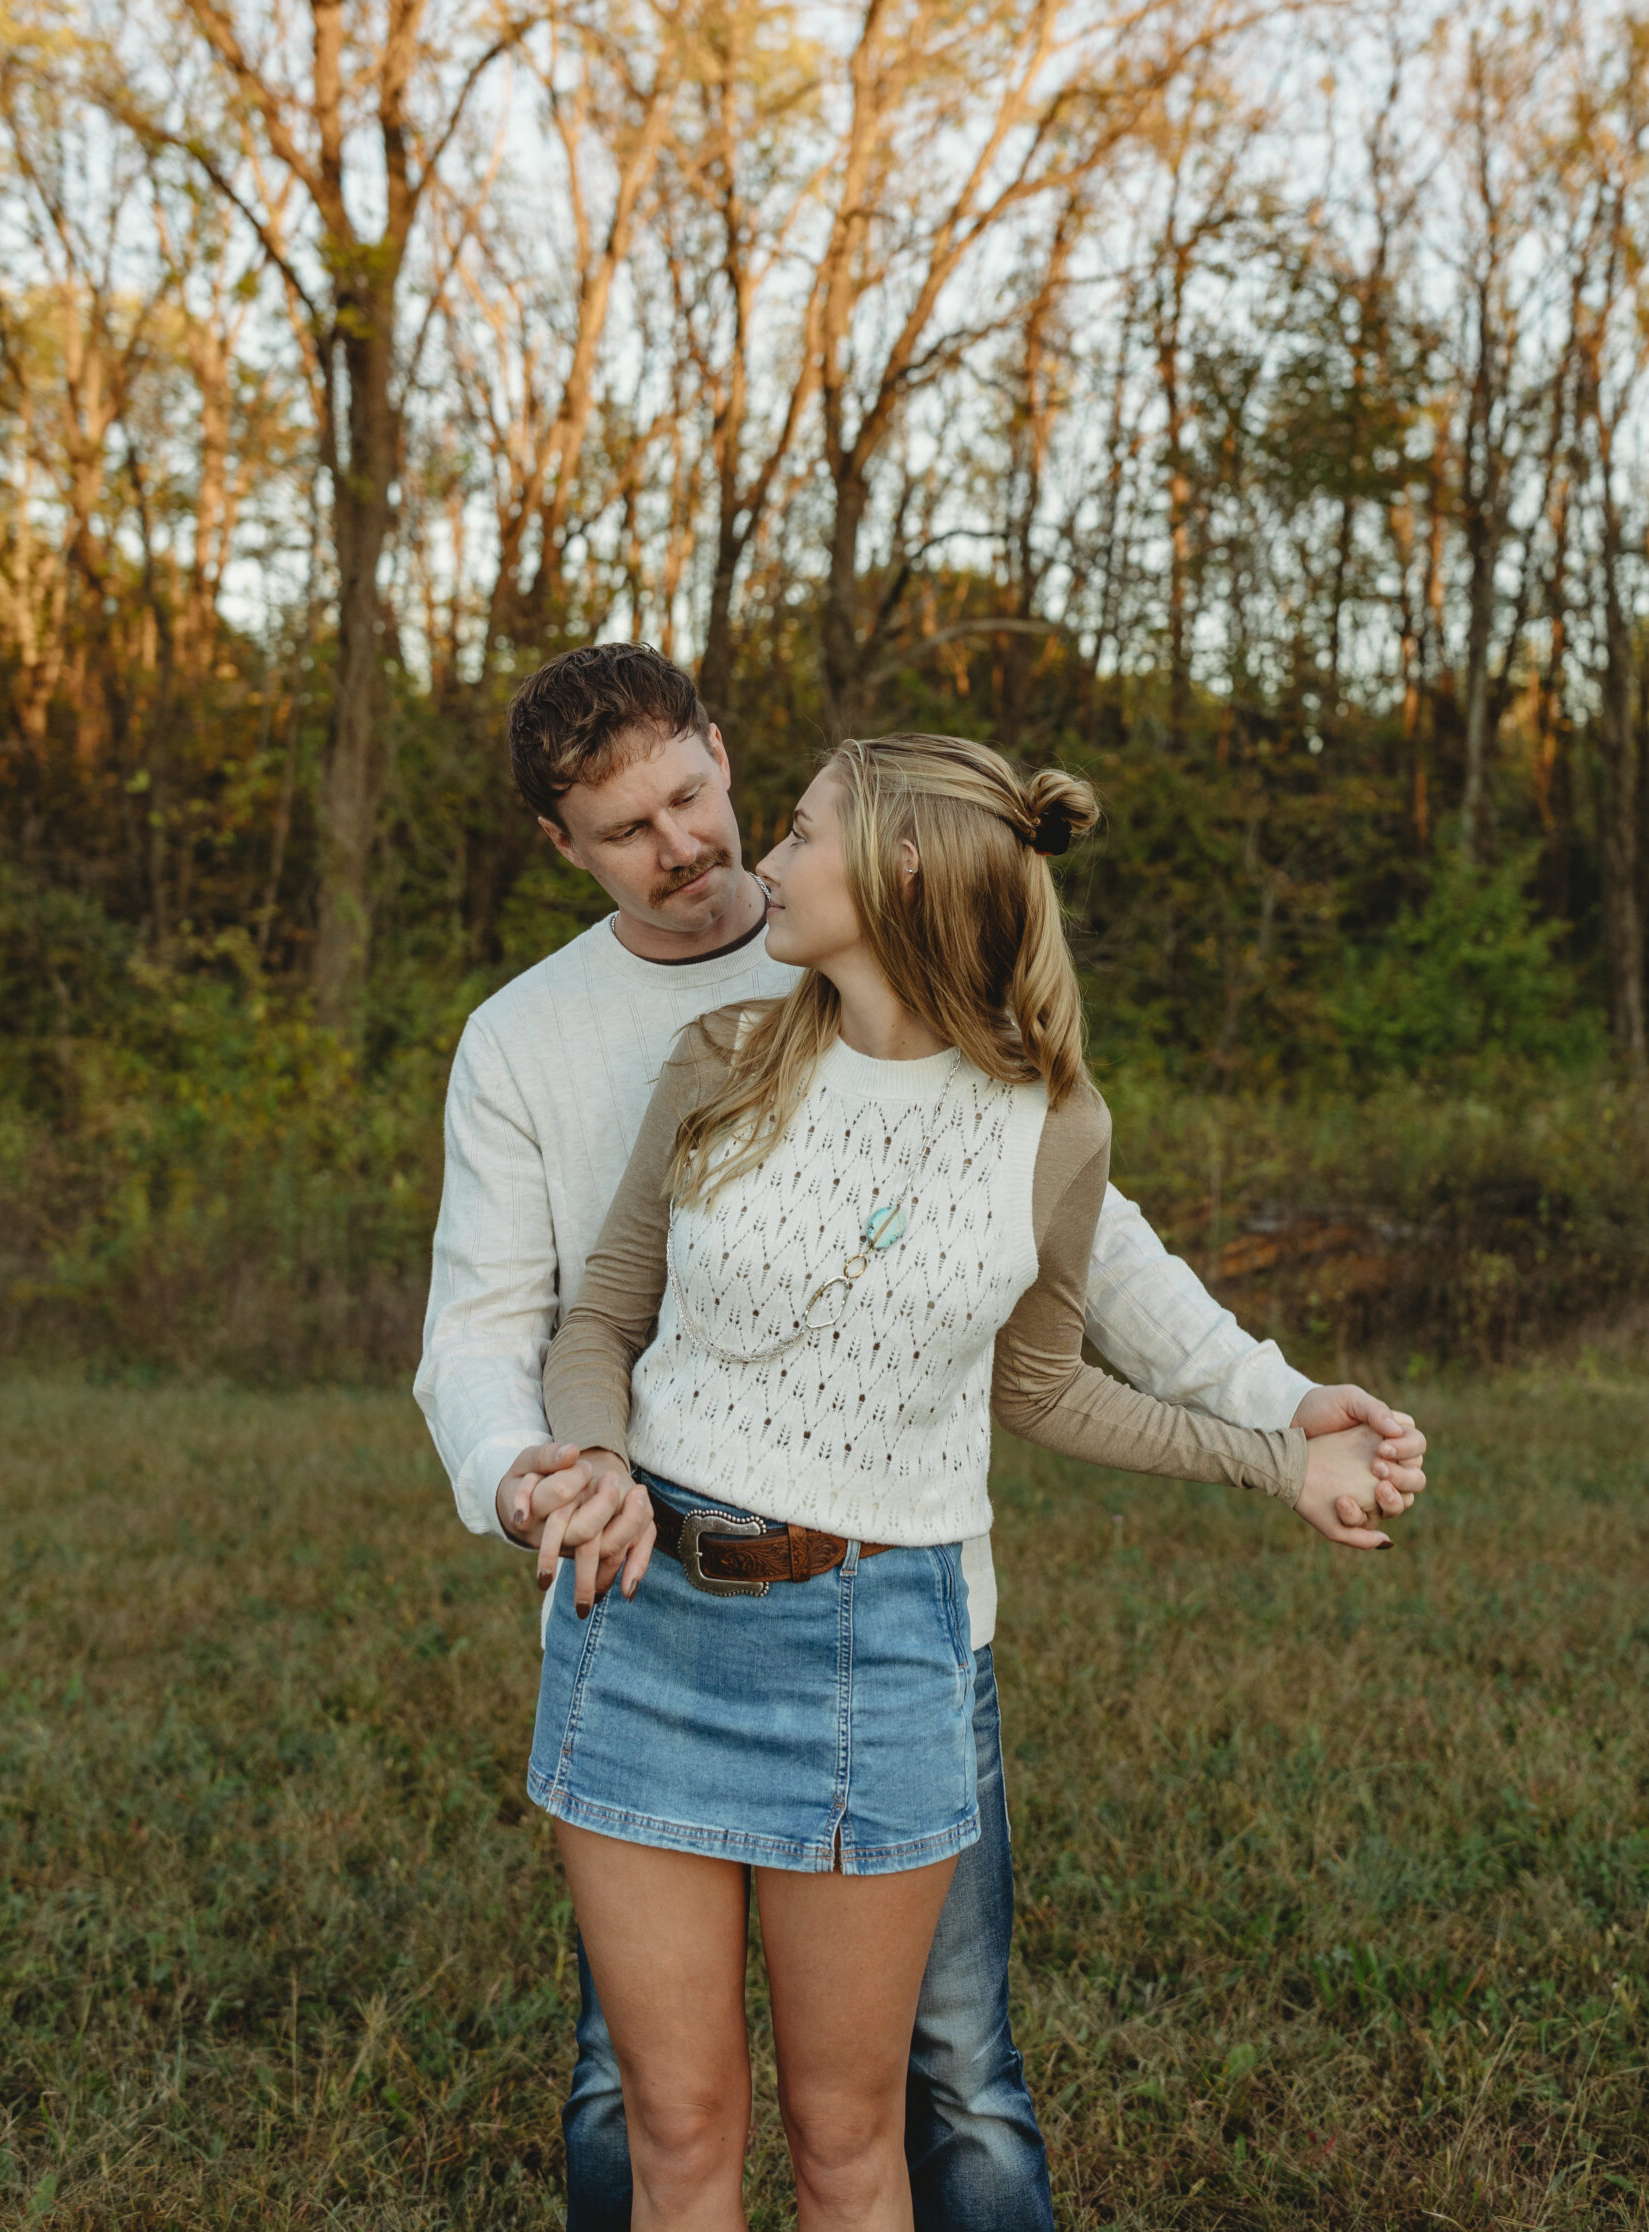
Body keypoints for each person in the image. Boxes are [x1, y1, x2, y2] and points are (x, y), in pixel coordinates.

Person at [413, 645, 1428, 2232]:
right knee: (650, 2098)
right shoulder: (549, 1042)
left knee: (941, 2077)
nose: (690, 847)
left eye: (699, 799)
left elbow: (1086, 1284)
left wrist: (1276, 1407)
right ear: (563, 846)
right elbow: (512, 1330)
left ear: (726, 757)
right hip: (640, 1597)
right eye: (625, 830)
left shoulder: (1013, 1089)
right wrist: (545, 1472)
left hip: (896, 1621)